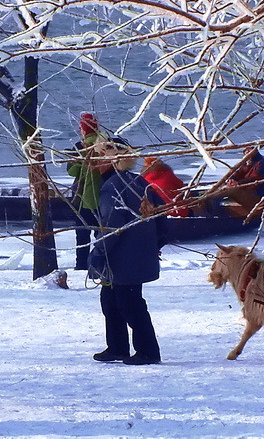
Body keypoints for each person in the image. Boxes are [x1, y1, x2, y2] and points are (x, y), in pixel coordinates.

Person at [88, 139, 165, 366]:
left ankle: (148, 351)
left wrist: (98, 253)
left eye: (98, 156)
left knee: (129, 303)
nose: (94, 162)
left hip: (123, 257)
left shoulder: (113, 186)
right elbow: (162, 214)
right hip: (134, 253)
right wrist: (155, 244)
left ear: (111, 159)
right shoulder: (138, 181)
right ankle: (117, 347)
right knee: (110, 300)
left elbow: (111, 226)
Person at [65, 112, 105, 271]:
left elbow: (72, 172)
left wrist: (74, 160)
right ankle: (101, 264)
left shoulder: (80, 147)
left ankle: (81, 265)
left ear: (84, 129)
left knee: (82, 236)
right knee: (101, 235)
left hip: (83, 198)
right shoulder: (106, 143)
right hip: (103, 196)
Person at [222, 145, 264, 219]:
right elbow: (239, 173)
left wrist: (238, 183)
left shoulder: (261, 163)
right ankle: (208, 205)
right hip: (246, 191)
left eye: (250, 150)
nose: (247, 152)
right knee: (222, 188)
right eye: (246, 150)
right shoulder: (247, 163)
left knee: (229, 190)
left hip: (256, 195)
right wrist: (231, 179)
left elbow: (255, 178)